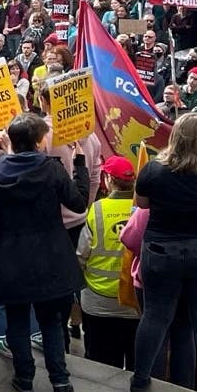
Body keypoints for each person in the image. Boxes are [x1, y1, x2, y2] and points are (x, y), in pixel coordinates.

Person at [129, 114, 197, 392]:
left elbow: (141, 204)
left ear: (174, 138)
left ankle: (140, 377)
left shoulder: (153, 171)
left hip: (162, 248)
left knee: (155, 315)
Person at [0, 114, 88, 392]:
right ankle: (61, 383)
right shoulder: (52, 170)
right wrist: (79, 165)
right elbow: (78, 202)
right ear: (40, 142)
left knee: (17, 320)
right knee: (52, 322)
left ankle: (24, 378)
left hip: (11, 260)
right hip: (51, 257)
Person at [75, 156, 139, 370]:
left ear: (109, 179)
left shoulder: (98, 210)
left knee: (101, 368)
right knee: (134, 364)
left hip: (98, 301)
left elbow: (81, 254)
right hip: (134, 302)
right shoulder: (144, 210)